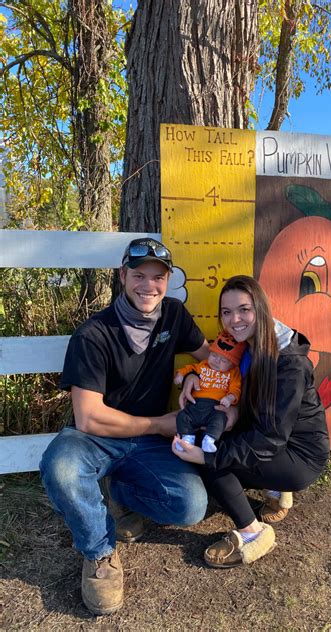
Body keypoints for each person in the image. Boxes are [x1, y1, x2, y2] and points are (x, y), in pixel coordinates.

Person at [39, 237, 227, 616]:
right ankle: (99, 553)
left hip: (146, 444)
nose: (148, 285)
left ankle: (118, 490)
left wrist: (196, 374)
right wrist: (158, 424)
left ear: (168, 280)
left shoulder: (174, 315)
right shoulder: (93, 335)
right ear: (123, 275)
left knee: (190, 506)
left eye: (158, 277)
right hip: (97, 438)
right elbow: (88, 417)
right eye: (139, 275)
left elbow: (213, 358)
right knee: (59, 467)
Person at [172, 275, 330, 568]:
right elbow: (218, 369)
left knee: (211, 462)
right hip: (273, 437)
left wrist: (207, 456)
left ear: (261, 308)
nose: (235, 319)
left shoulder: (289, 363)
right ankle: (275, 490)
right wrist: (193, 377)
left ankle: (252, 534)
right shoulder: (249, 342)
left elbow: (270, 437)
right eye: (227, 312)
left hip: (299, 455)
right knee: (212, 440)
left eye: (244, 309)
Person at [174, 331, 245, 453]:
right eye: (214, 355)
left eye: (224, 360)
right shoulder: (203, 365)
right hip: (195, 404)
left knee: (220, 419)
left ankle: (209, 439)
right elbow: (188, 369)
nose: (216, 361)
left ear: (233, 364)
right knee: (182, 416)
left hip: (216, 407)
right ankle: (187, 438)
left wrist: (229, 398)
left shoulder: (233, 373)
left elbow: (236, 389)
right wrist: (180, 375)